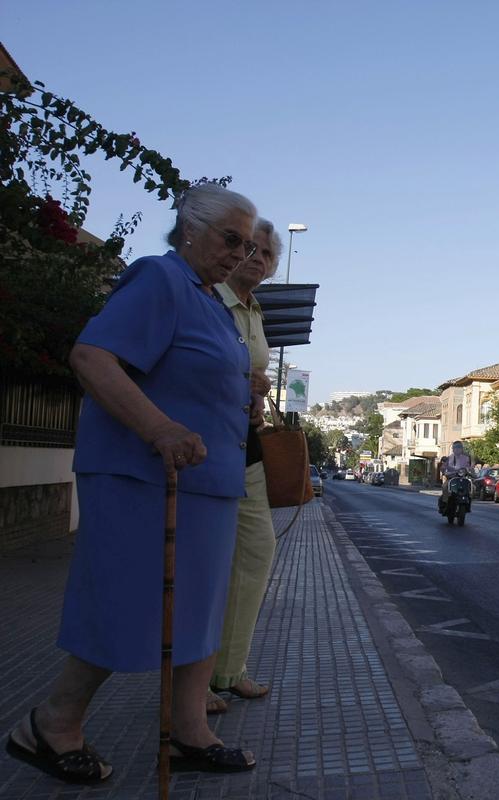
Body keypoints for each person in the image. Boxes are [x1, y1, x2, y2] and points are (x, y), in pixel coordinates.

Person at [5, 184, 258, 783]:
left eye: (247, 245)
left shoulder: (211, 301)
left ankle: (188, 729)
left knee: (199, 612)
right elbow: (92, 357)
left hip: (208, 482)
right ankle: (51, 722)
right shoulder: (159, 280)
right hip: (144, 478)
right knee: (125, 602)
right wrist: (160, 426)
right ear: (190, 227)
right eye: (231, 239)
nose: (240, 254)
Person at [206, 219, 281, 714]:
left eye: (268, 254)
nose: (258, 258)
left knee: (256, 552)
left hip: (245, 443)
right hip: (207, 443)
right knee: (206, 562)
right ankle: (196, 683)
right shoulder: (209, 300)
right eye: (251, 248)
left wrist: (256, 392)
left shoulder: (253, 310)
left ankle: (228, 671)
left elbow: (250, 371)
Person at [439, 441, 474, 509]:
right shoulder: (449, 458)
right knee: (444, 486)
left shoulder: (466, 458)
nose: (457, 449)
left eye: (459, 447)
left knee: (473, 487)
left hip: (463, 479)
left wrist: (470, 471)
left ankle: (468, 502)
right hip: (452, 478)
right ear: (453, 449)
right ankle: (445, 503)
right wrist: (444, 471)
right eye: (455, 448)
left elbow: (470, 467)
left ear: (462, 449)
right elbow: (443, 467)